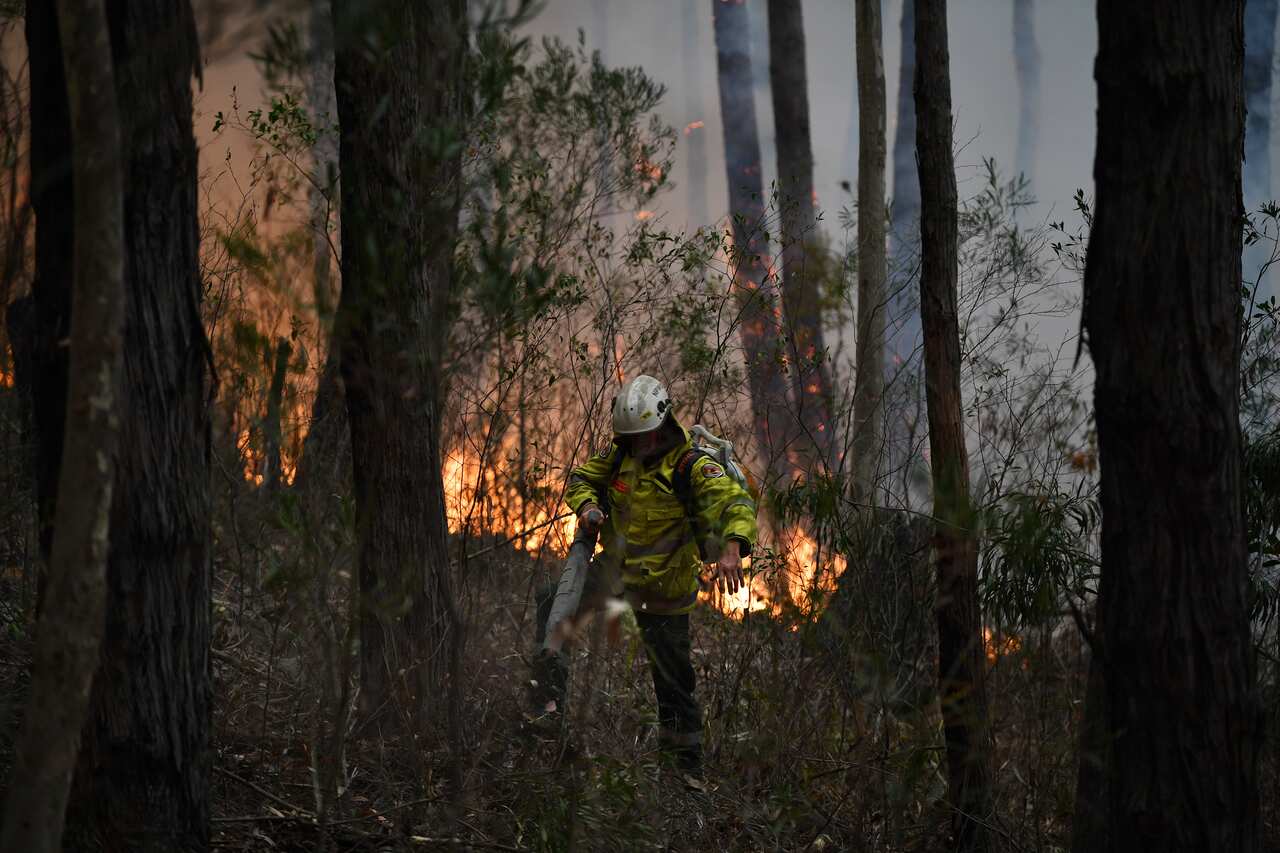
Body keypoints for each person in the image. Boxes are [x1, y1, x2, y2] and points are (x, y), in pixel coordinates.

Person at [531, 375, 758, 777]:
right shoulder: (620, 453)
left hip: (664, 591)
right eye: (631, 439)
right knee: (554, 602)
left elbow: (735, 502)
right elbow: (582, 478)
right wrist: (587, 509)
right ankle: (547, 708)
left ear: (664, 425)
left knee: (673, 687)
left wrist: (732, 547)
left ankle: (684, 778)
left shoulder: (693, 465)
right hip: (617, 572)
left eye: (645, 437)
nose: (639, 446)